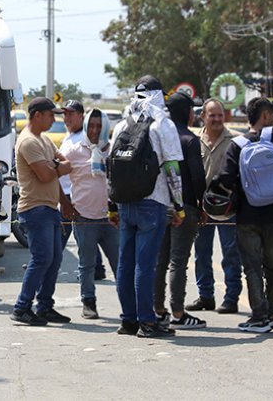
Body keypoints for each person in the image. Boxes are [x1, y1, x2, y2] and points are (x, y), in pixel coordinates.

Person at [213, 96, 273, 333]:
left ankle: (258, 316)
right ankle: (272, 314)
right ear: (266, 115)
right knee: (272, 266)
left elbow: (224, 178)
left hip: (248, 215)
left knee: (252, 267)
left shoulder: (237, 144)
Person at [108, 75, 184, 338]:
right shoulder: (163, 125)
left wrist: (112, 206)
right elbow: (173, 168)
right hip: (153, 203)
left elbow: (111, 168)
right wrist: (180, 204)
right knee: (145, 264)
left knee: (125, 264)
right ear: (159, 95)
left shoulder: (120, 126)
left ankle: (128, 320)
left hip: (125, 202)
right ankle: (148, 322)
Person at [11, 97, 73, 326]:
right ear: (37, 115)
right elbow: (48, 174)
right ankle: (22, 307)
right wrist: (56, 167)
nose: (53, 119)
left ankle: (44, 306)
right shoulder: (28, 142)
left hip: (49, 208)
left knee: (54, 259)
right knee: (42, 258)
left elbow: (63, 165)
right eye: (50, 115)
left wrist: (64, 202)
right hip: (34, 209)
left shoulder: (44, 140)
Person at [154, 92, 207, 329]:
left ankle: (157, 309)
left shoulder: (159, 136)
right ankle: (178, 313)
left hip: (159, 205)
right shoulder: (189, 140)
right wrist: (201, 204)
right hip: (184, 206)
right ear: (188, 112)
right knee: (178, 261)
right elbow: (197, 176)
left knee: (160, 260)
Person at [62, 108, 119, 319]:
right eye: (91, 126)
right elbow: (55, 176)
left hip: (111, 218)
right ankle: (88, 302)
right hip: (84, 217)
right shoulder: (74, 151)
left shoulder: (113, 151)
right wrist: (65, 204)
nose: (95, 131)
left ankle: (129, 306)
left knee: (119, 265)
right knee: (86, 265)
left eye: (99, 126)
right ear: (86, 126)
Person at [188, 98, 243, 314]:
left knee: (231, 254)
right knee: (202, 254)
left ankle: (231, 298)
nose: (217, 119)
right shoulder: (194, 142)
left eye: (220, 115)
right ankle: (205, 296)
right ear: (203, 117)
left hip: (229, 210)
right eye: (212, 115)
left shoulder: (236, 141)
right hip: (202, 210)